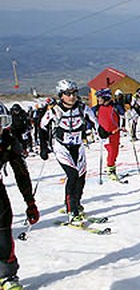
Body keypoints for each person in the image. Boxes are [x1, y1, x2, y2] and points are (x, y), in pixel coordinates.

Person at [39, 80, 98, 222]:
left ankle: (76, 202)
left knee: (81, 177)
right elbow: (41, 127)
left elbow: (95, 122)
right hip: (62, 147)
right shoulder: (54, 111)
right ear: (61, 95)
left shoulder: (83, 108)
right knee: (72, 175)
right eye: (67, 94)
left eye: (74, 93)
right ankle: (71, 209)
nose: (71, 97)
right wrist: (43, 147)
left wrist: (101, 131)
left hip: (78, 146)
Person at [0, 103, 39, 290]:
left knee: (4, 231)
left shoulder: (7, 141)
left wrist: (30, 202)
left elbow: (21, 173)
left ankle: (7, 276)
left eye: (0, 123)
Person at [96, 88, 123, 181]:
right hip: (105, 134)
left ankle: (111, 167)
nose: (98, 100)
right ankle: (111, 170)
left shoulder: (114, 107)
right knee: (111, 152)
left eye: (100, 98)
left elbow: (123, 114)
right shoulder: (97, 108)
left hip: (115, 133)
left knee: (115, 152)